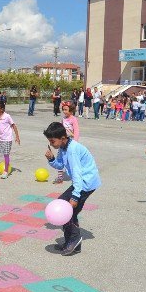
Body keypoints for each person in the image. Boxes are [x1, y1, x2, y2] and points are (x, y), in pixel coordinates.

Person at [44, 122, 101, 256]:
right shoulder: (63, 148)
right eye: (50, 141)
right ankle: (71, 242)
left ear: (63, 138)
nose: (51, 144)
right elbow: (60, 165)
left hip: (85, 183)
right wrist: (51, 159)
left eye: (53, 141)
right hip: (80, 182)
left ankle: (74, 239)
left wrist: (75, 196)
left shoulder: (72, 150)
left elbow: (77, 173)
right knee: (65, 207)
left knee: (69, 211)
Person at [54, 101, 80, 184]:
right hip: (62, 142)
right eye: (63, 110)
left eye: (66, 110)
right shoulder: (63, 119)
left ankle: (75, 176)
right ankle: (60, 177)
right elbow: (61, 129)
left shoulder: (73, 119)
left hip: (70, 142)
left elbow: (76, 131)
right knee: (59, 159)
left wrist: (75, 142)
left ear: (71, 110)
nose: (64, 111)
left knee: (70, 160)